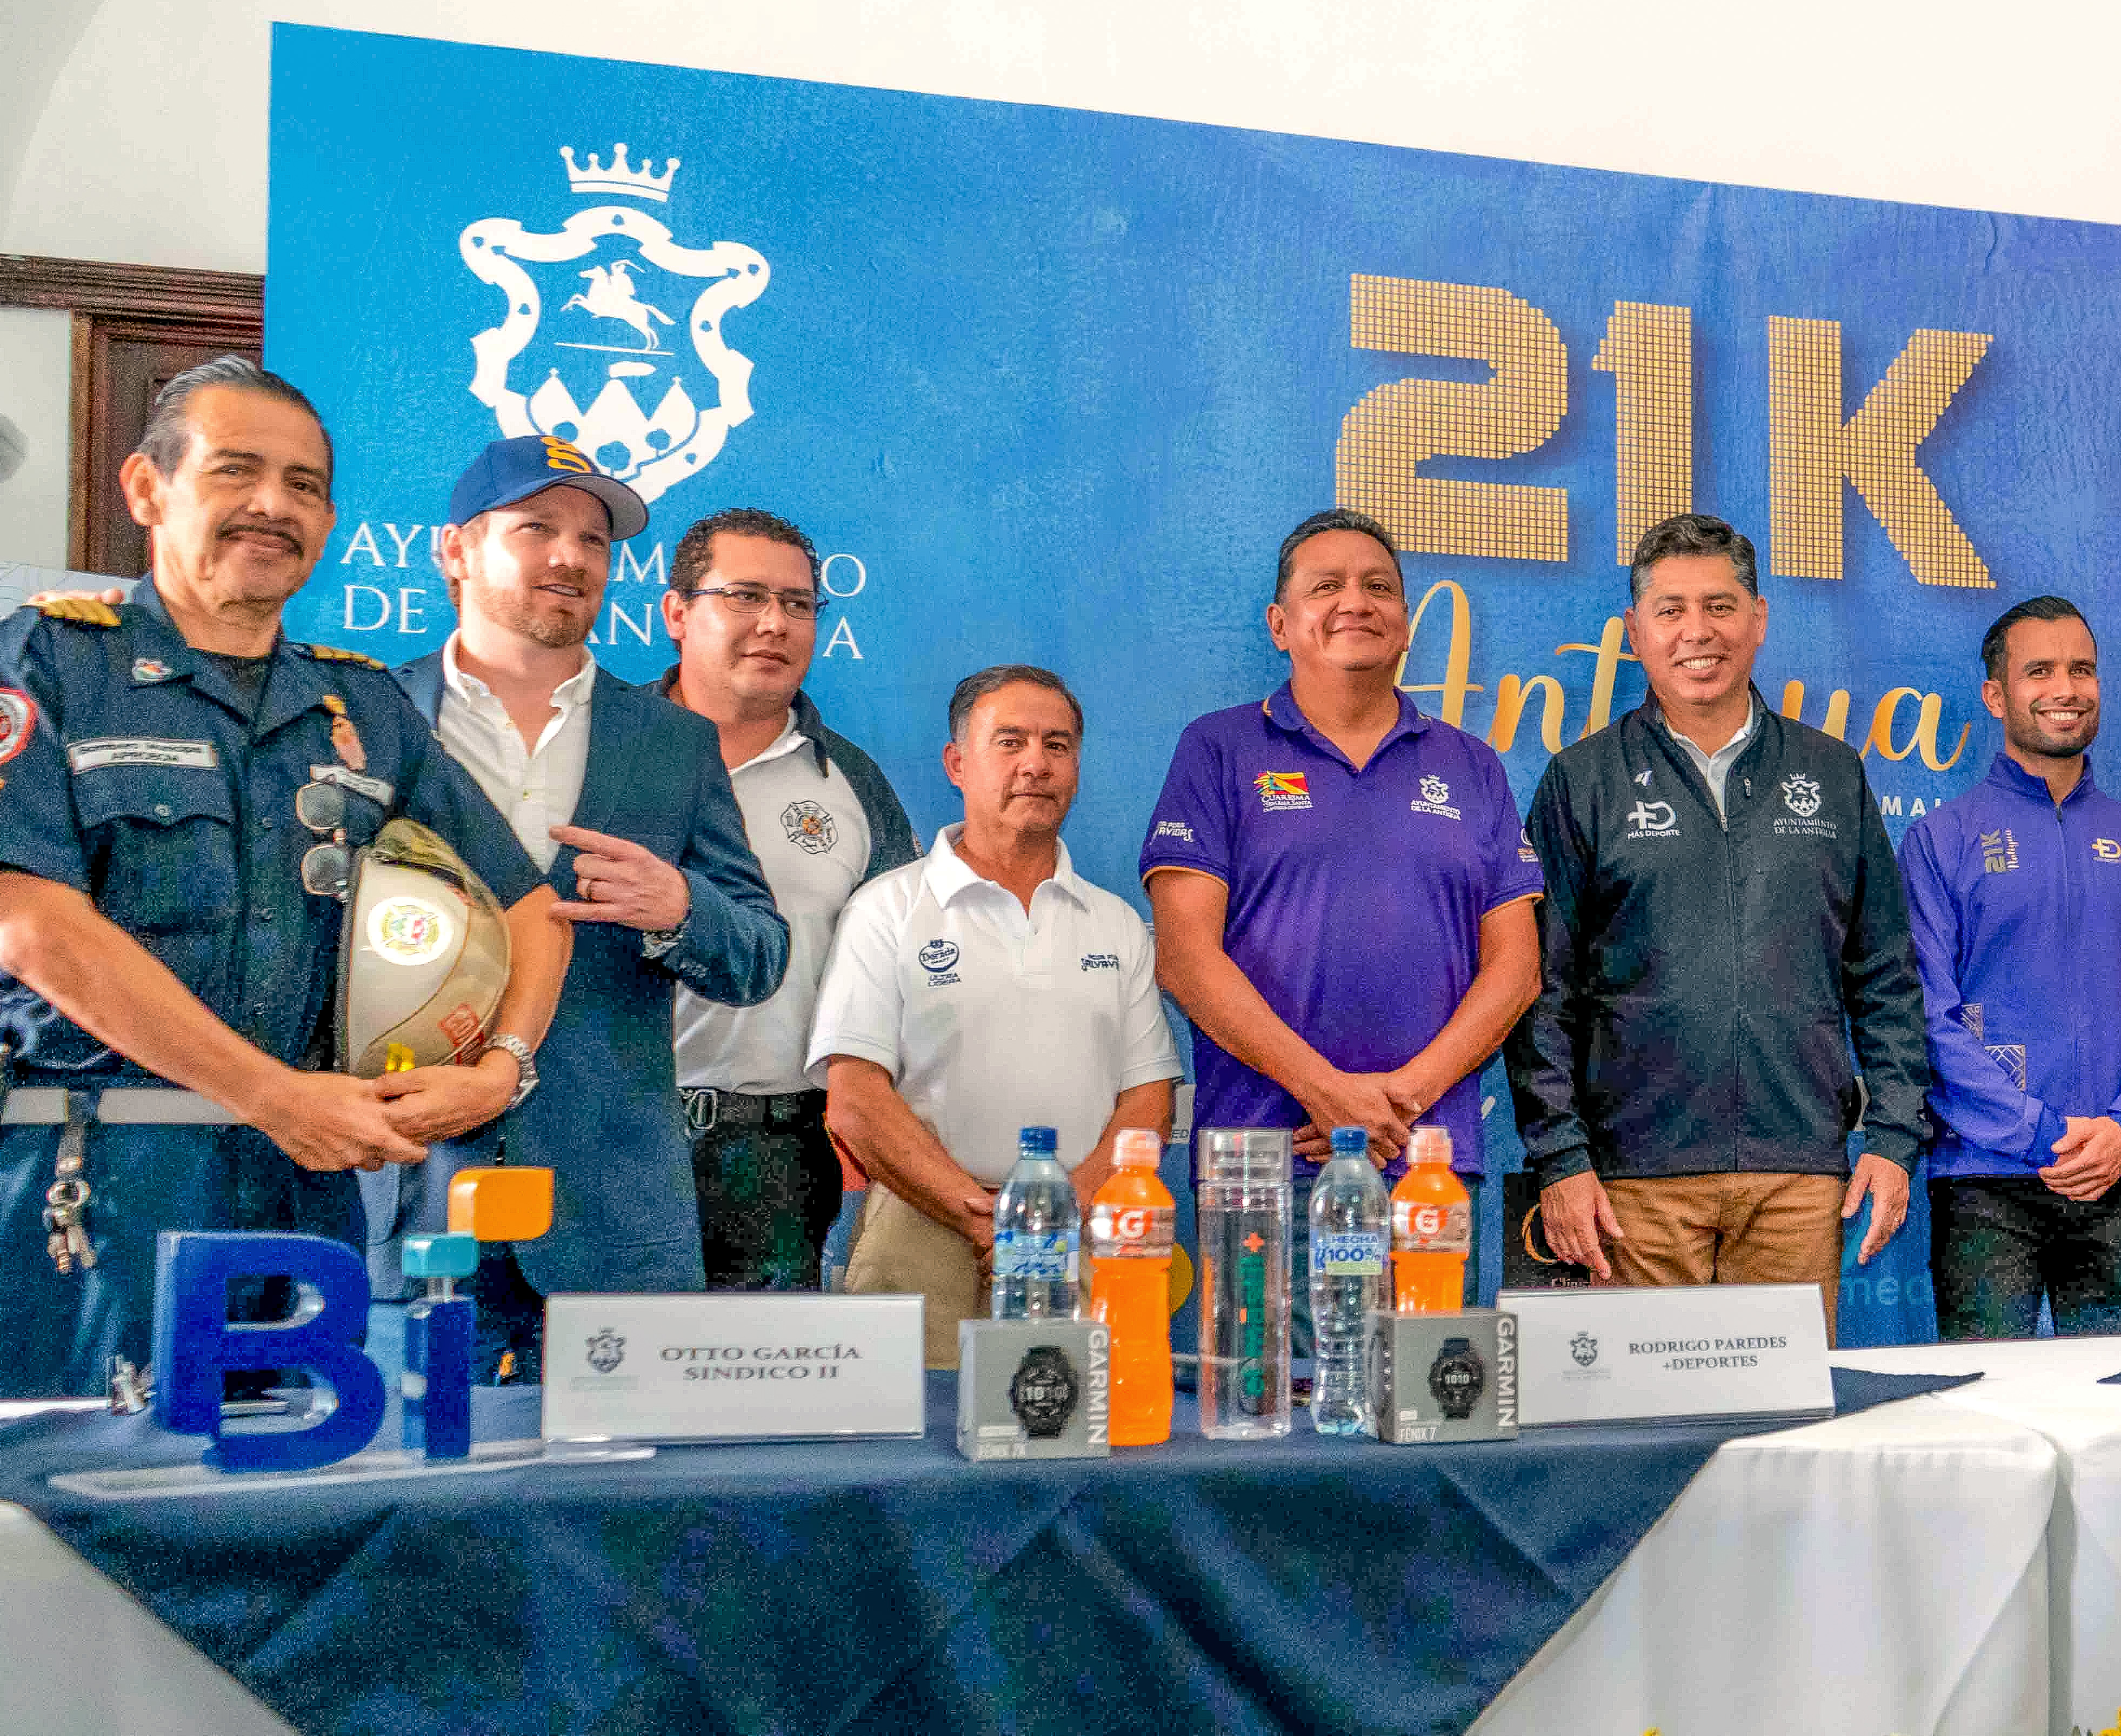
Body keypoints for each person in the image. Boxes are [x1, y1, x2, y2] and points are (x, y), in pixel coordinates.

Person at [0, 357, 571, 1398]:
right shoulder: (48, 660)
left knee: (288, 1523)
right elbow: (33, 928)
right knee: (45, 1529)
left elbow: (537, 910)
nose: (274, 506)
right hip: (92, 1186)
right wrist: (272, 1096)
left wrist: (499, 1070)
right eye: (236, 472)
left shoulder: (359, 707)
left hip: (299, 1199)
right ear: (147, 489)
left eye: (305, 486)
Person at [393, 436, 786, 1371]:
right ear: (456, 551)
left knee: (629, 1512)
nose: (572, 556)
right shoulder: (368, 716)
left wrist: (680, 904)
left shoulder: (673, 743)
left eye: (594, 540)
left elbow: (761, 954)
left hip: (615, 1229)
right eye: (538, 528)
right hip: (407, 1201)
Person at [1510, 513, 1929, 1332]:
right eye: (1669, 611)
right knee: (1636, 1441)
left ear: (1760, 619)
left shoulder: (1832, 774)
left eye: (1720, 606)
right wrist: (1560, 1157)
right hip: (1631, 1186)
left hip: (1797, 1181)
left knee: (1784, 1434)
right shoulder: (1582, 780)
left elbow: (1884, 975)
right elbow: (1542, 988)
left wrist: (1892, 1134)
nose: (1696, 632)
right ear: (1635, 633)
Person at [1145, 508, 1539, 1235]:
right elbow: (1185, 958)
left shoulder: (1473, 766)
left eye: (1379, 588)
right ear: (1280, 625)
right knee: (1261, 1358)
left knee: (1429, 1355)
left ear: (1406, 622)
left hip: (1427, 1155)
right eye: (1327, 587)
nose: (1356, 602)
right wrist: (1323, 1091)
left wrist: (1395, 1105)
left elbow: (1516, 969)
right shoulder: (1218, 749)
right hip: (1261, 1157)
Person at [807, 667, 1180, 1337]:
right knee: (910, 1438)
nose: (1036, 764)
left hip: (1082, 1232)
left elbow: (1149, 1097)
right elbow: (855, 1098)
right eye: (1010, 742)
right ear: (957, 763)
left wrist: (1054, 1217)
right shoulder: (887, 909)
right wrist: (981, 1218)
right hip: (920, 1227)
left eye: (1057, 746)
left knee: (1082, 1427)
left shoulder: (1116, 921)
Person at [1897, 595, 2121, 1337]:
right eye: (2041, 671)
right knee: (1984, 1410)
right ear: (1997, 696)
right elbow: (1925, 1014)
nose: (2066, 689)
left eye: (2082, 670)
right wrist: (2038, 1132)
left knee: (2120, 1417)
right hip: (1985, 1178)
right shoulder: (1941, 841)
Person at [651, 505, 918, 1289]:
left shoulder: (851, 783)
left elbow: (892, 983)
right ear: (677, 612)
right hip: (611, 1141)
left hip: (775, 1157)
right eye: (745, 596)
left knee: (759, 1399)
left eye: (799, 604)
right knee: (594, 1392)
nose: (775, 623)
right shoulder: (601, 750)